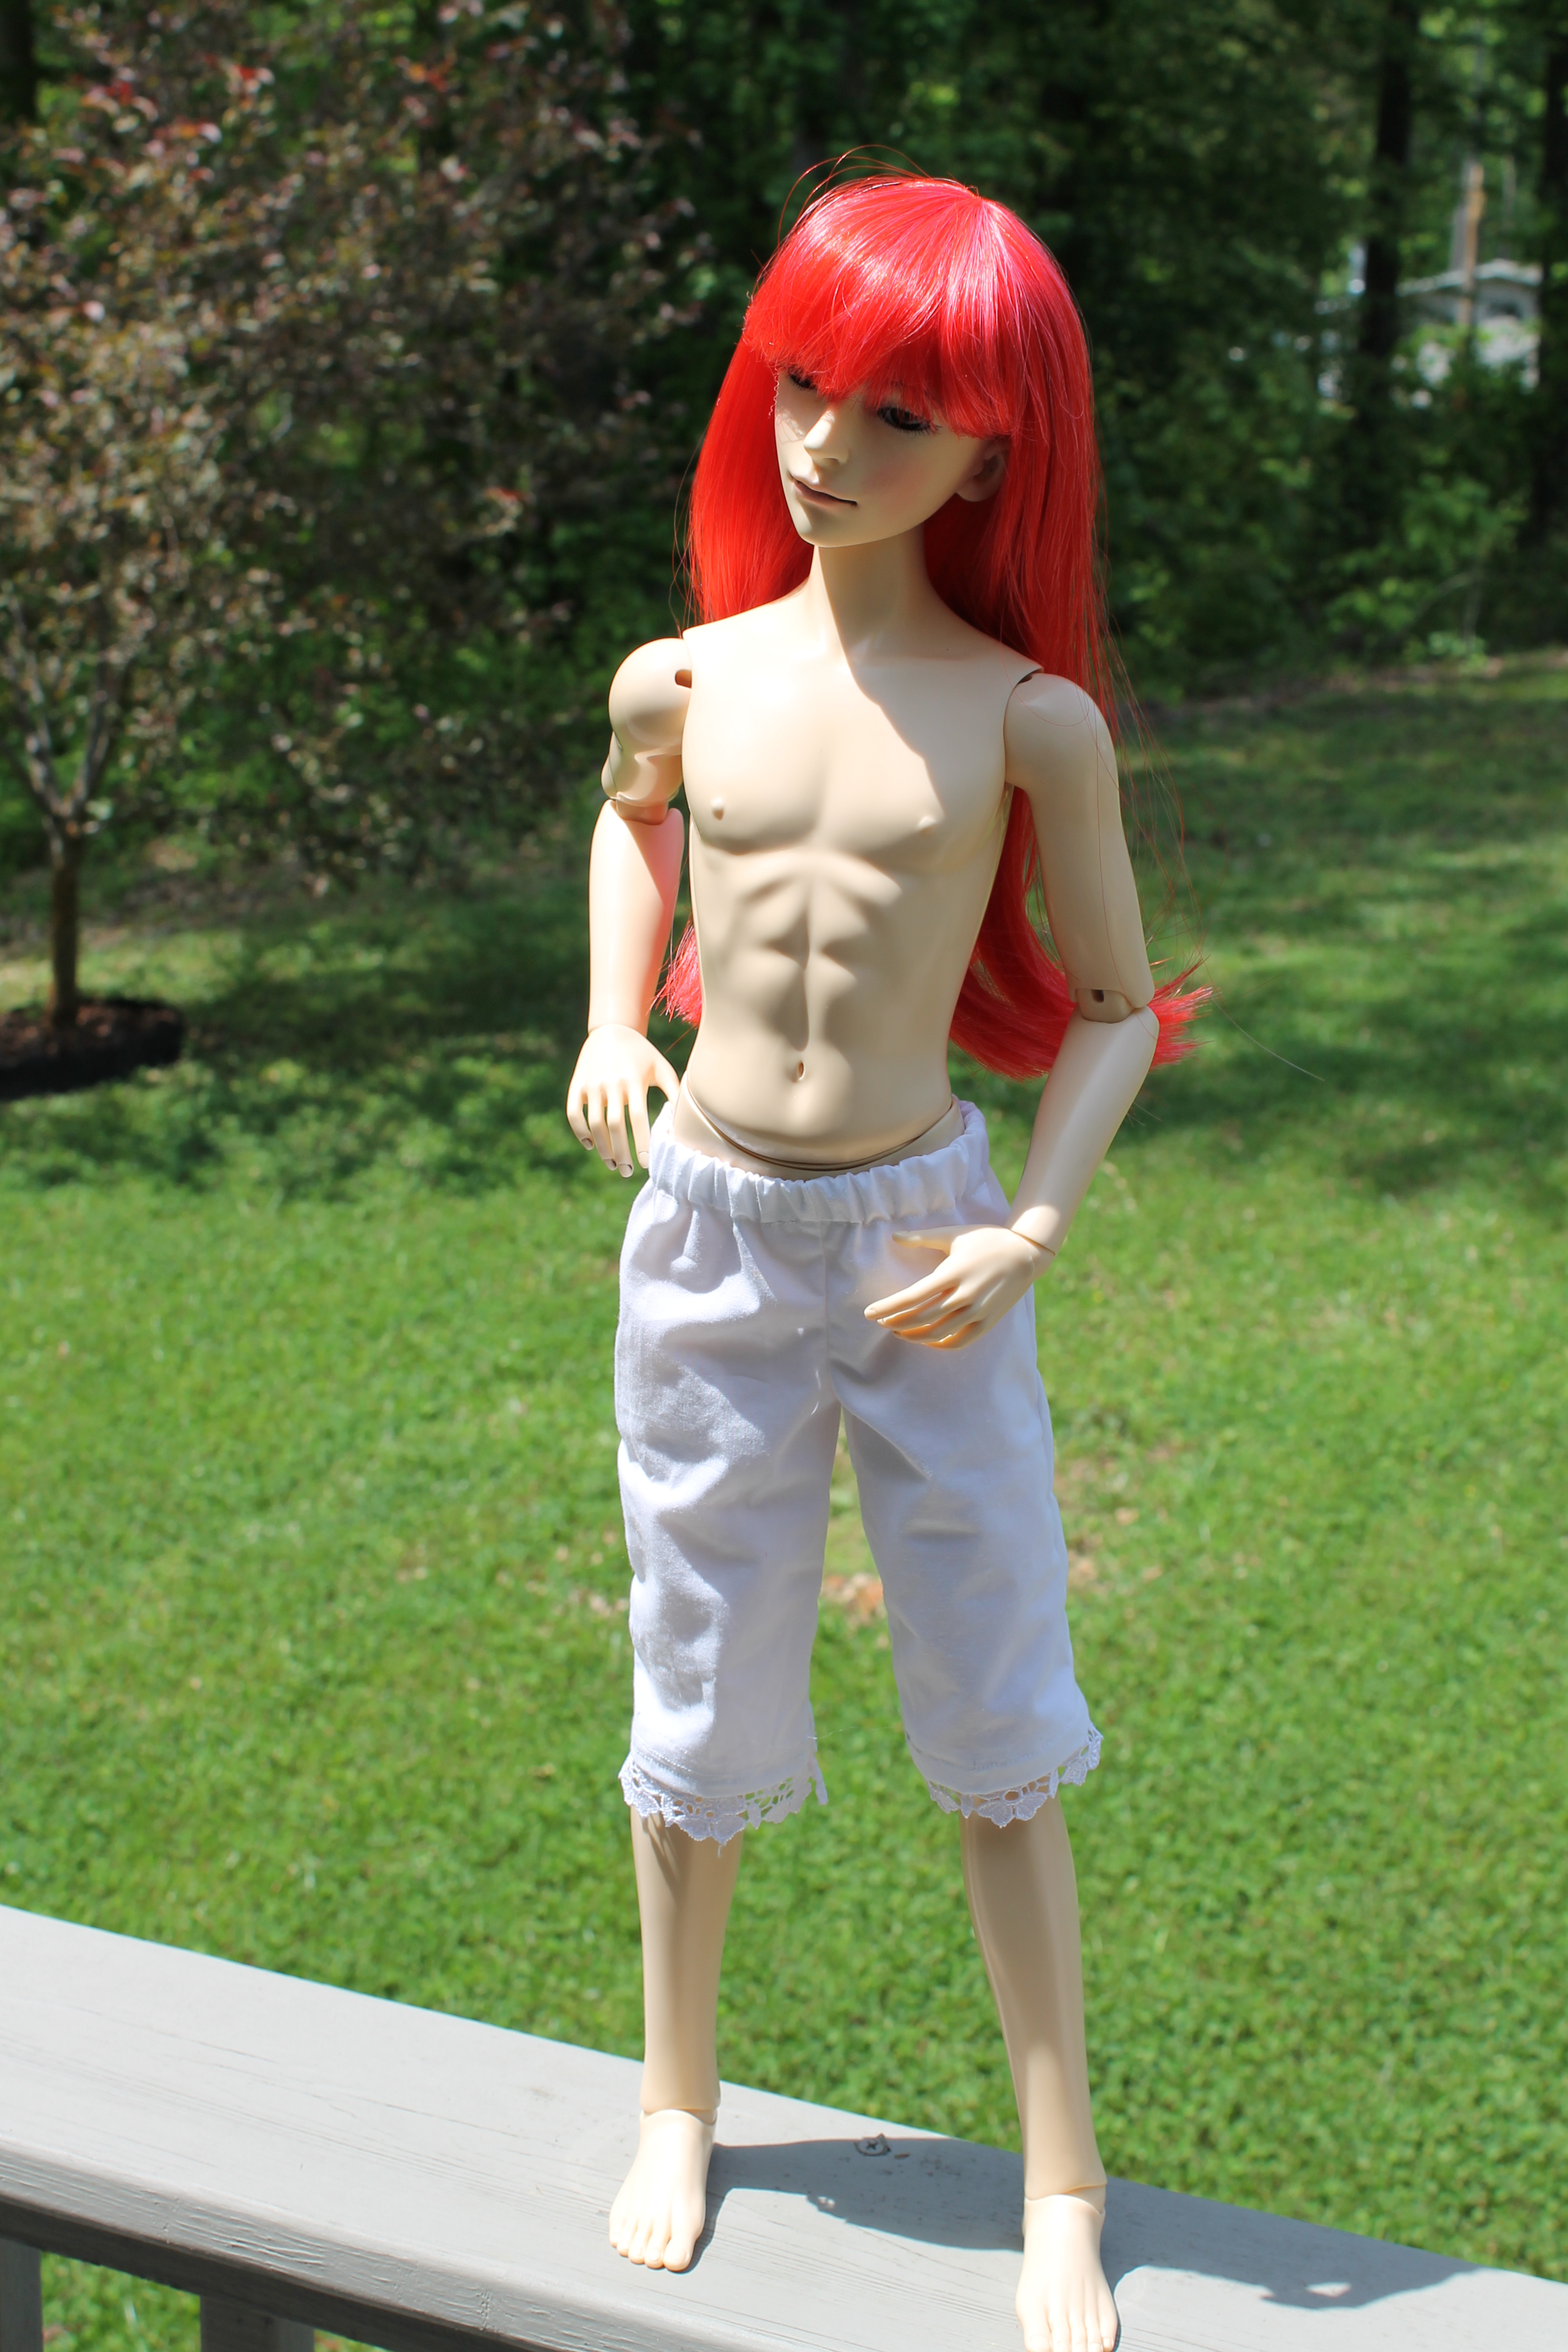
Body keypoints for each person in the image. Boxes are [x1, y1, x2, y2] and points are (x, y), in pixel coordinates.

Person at [565, 172, 1199, 2352]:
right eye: (804, 390)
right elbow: (634, 816)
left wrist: (1032, 1223)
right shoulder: (684, 675)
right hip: (711, 1228)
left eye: (898, 417)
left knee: (996, 1689)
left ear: (995, 453)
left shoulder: (1025, 720)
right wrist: (609, 1017)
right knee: (695, 1658)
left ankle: (1061, 2171)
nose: (828, 447)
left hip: (925, 1233)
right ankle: (677, 2095)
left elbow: (1113, 1006)